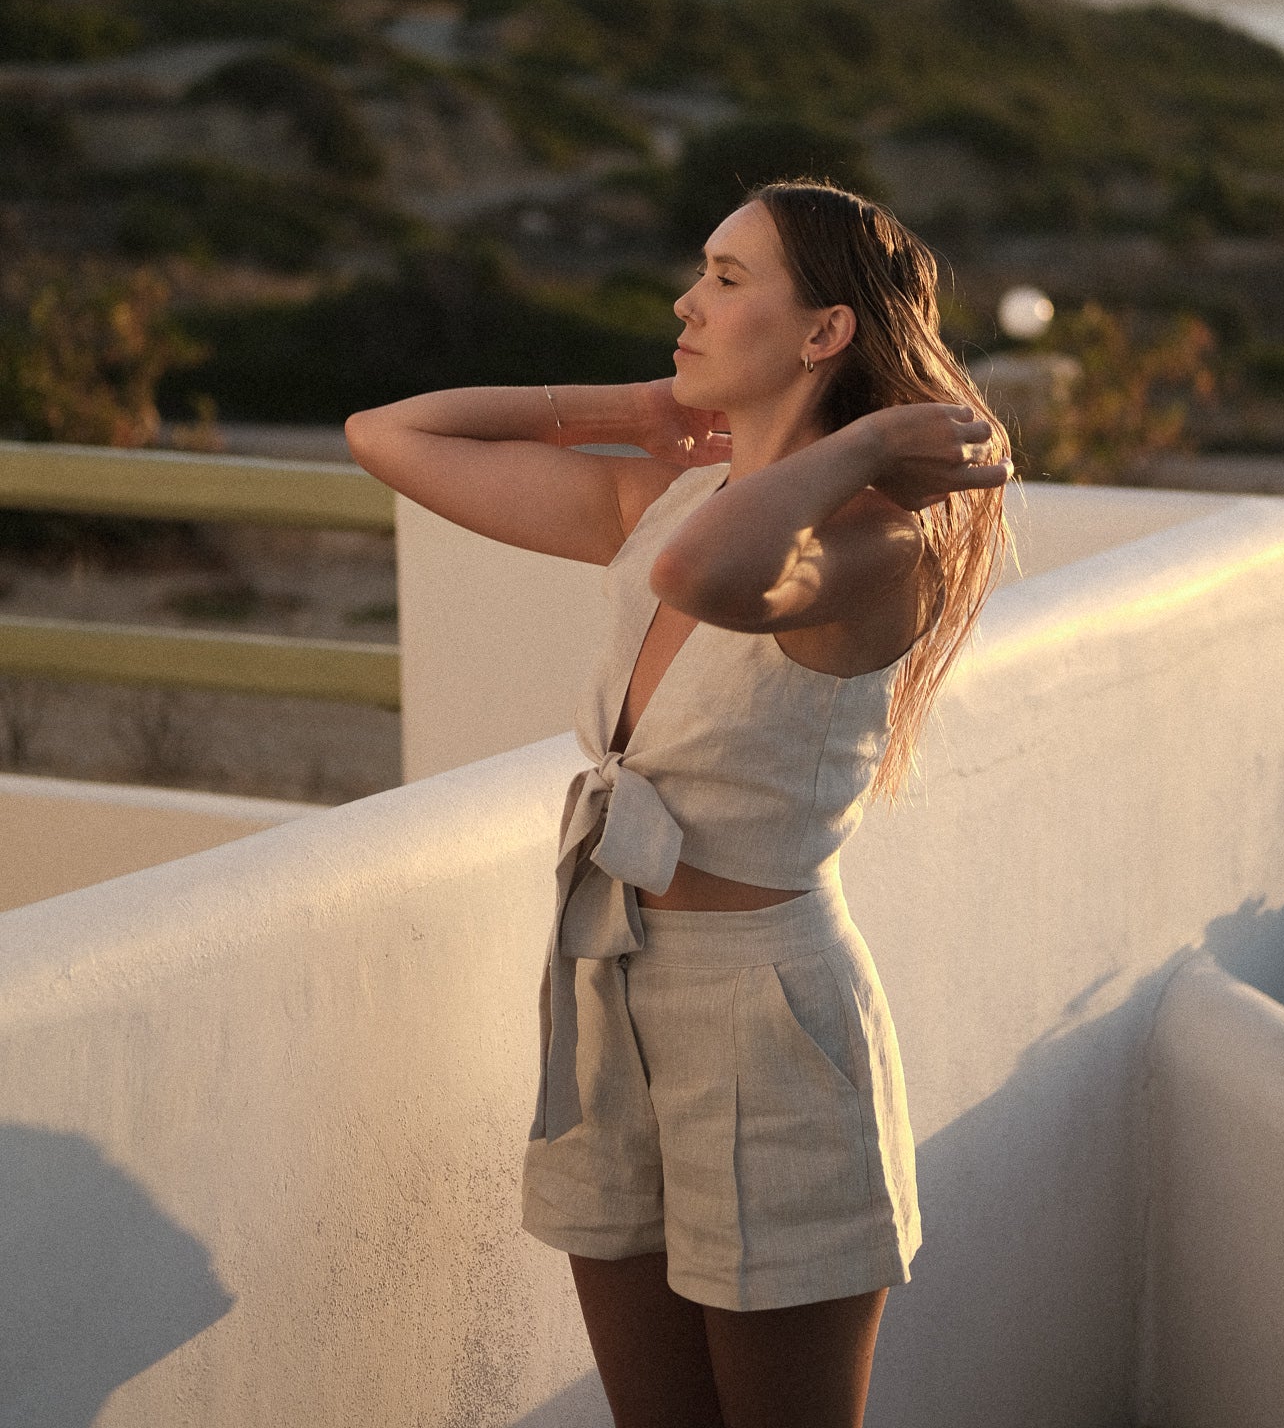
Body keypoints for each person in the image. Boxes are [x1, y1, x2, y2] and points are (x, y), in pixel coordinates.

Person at [345, 180, 1011, 1428]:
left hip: (765, 1013)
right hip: (609, 981)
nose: (684, 299)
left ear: (822, 334)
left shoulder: (875, 544)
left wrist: (861, 444)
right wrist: (628, 411)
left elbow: (705, 577)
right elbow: (386, 434)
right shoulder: (668, 499)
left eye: (724, 275)